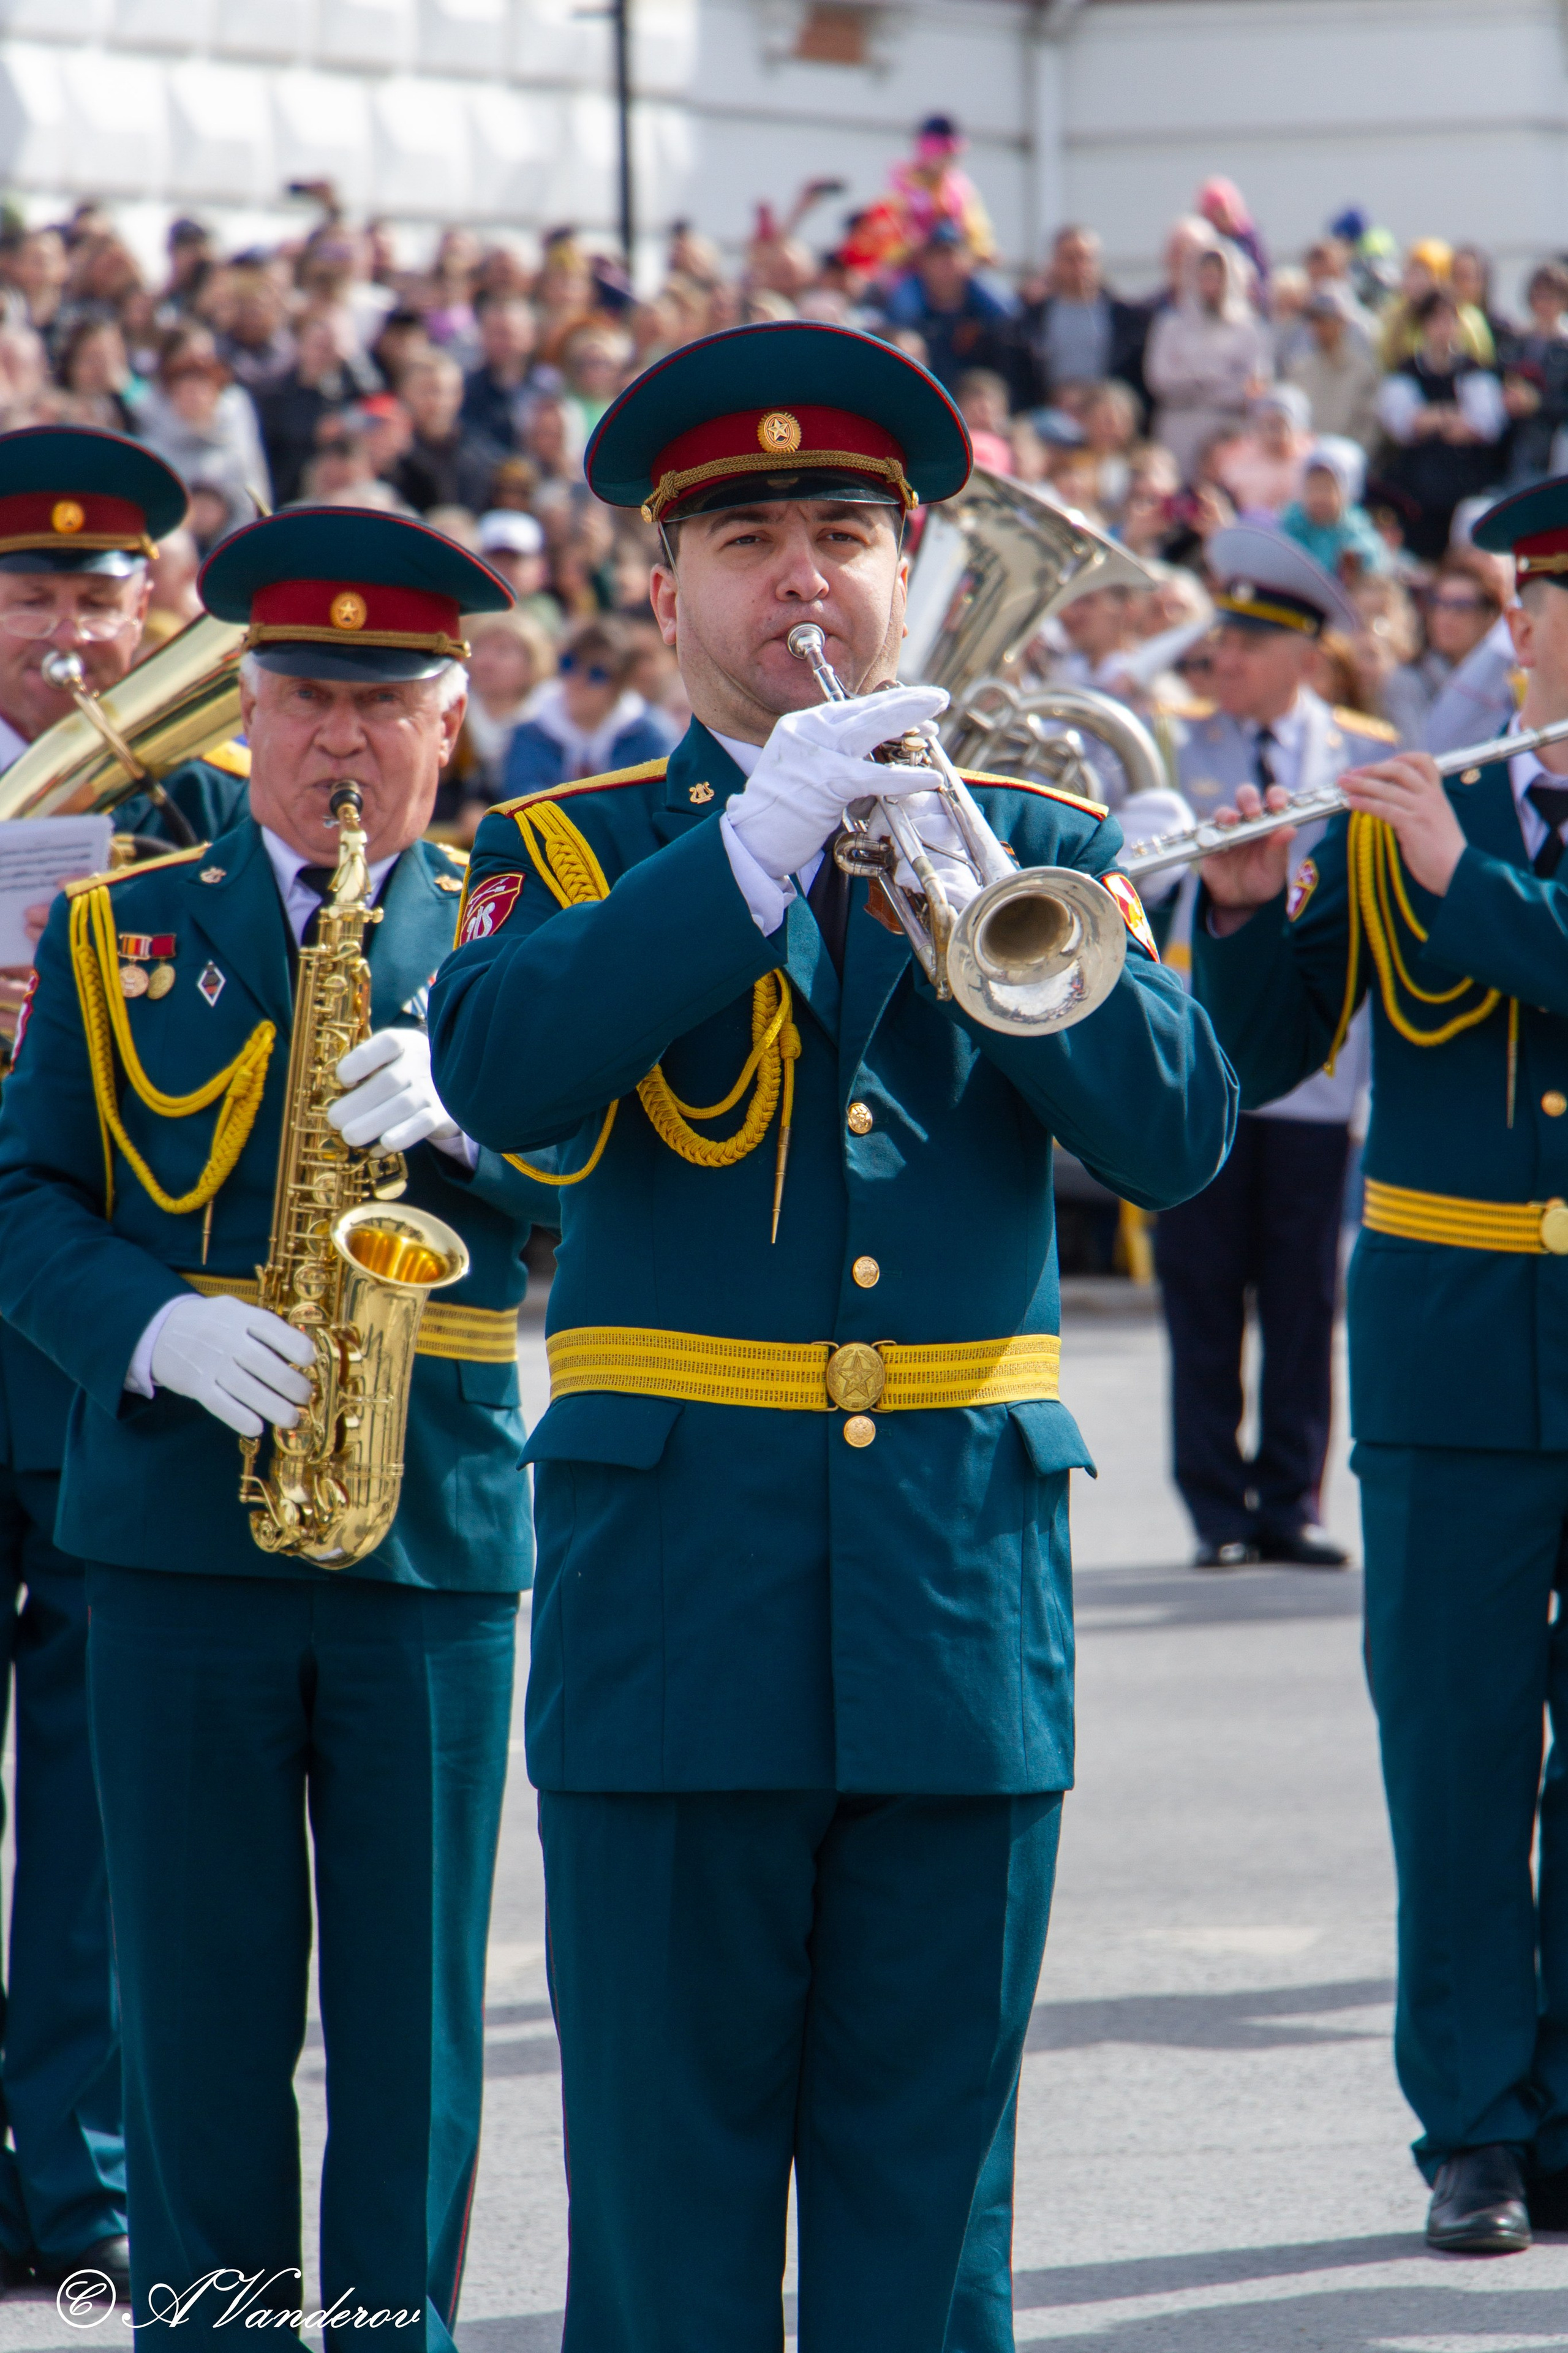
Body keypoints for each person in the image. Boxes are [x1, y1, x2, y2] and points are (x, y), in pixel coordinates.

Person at [427, 315, 1237, 2352]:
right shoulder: (574, 844)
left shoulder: (1035, 837)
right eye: (749, 537)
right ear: (663, 583)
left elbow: (1175, 1134)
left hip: (955, 1607)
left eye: (847, 533)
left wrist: (978, 880)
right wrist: (750, 852)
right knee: (669, 2230)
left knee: (927, 2230)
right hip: (676, 1613)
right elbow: (502, 1070)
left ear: (911, 566)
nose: (804, 576)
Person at [0, 502, 551, 2338]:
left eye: (381, 704)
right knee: (197, 2003)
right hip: (171, 1526)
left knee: (411, 2022)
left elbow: (603, 1194)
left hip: (428, 1534)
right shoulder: (119, 930)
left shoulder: (517, 932)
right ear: (243, 707)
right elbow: (20, 1191)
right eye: (305, 698)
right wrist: (151, 1327)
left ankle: (401, 2332)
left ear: (450, 715)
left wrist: (473, 1117)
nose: (339, 742)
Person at [1188, 474, 1568, 2255]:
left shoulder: (1435, 838)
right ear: (1516, 627)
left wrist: (1457, 882)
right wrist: (1251, 913)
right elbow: (1255, 1062)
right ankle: (1474, 2130)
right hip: (1445, 1359)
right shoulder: (1394, 817)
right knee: (1453, 1750)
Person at [0, 426, 256, 2300]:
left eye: (103, 600)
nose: (73, 637)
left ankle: (74, 2180)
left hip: (96, 1349)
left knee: (97, 1802)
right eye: (33, 598)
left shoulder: (212, 806)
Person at [1161, 526, 1396, 1569]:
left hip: (1319, 1082)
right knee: (1202, 1295)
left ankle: (1290, 1500)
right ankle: (1216, 1509)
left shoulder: (1366, 756)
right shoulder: (1174, 748)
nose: (1227, 661)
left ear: (1307, 652)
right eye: (1222, 640)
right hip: (1198, 1071)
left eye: (1251, 644)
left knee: (1304, 1299)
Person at [1378, 290, 1507, 559]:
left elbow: (1482, 426)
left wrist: (1433, 417)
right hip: (1419, 491)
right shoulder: (1405, 373)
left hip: (1467, 483)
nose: (1443, 328)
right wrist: (1451, 414)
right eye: (1436, 320)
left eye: (1450, 320)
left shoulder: (1475, 371)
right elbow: (1404, 425)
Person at [500, 612, 671, 795]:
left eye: (596, 673)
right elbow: (520, 801)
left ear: (620, 684)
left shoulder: (649, 735)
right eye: (569, 664)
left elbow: (661, 801)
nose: (577, 681)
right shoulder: (531, 732)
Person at [1144, 241, 1272, 484]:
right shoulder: (1170, 325)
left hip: (1227, 426)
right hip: (1179, 425)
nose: (1209, 285)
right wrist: (1216, 378)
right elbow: (1160, 379)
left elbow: (1254, 386)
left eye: (1216, 277)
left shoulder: (1250, 329)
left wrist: (1197, 381)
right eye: (1203, 276)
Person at [880, 223, 1023, 398]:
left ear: (969, 261)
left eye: (953, 254)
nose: (947, 263)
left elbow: (1011, 320)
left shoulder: (987, 313)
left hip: (976, 402)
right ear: (924, 262)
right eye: (938, 256)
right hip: (925, 398)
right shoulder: (908, 313)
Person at [1020, 225, 1150, 409]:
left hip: (1109, 419)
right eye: (1070, 259)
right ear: (1055, 263)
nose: (1079, 267)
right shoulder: (1032, 319)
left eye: (1086, 258)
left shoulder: (1126, 318)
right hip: (1049, 413)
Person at [1404, 546, 1518, 755]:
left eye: (1461, 606)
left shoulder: (1511, 679)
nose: (1446, 615)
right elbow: (1419, 754)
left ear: (1490, 615)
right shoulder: (1407, 679)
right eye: (1438, 603)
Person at [1284, 288, 1383, 454]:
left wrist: (1351, 455)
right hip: (1307, 460)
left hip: (1348, 458)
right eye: (1314, 321)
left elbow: (1370, 427)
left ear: (1342, 323)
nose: (1318, 328)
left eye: (1325, 321)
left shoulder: (1363, 371)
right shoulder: (1299, 370)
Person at [1279, 442, 1388, 579]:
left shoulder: (1355, 529)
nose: (1319, 497)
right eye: (1313, 489)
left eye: (1327, 489)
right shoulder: (1290, 525)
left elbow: (1372, 567)